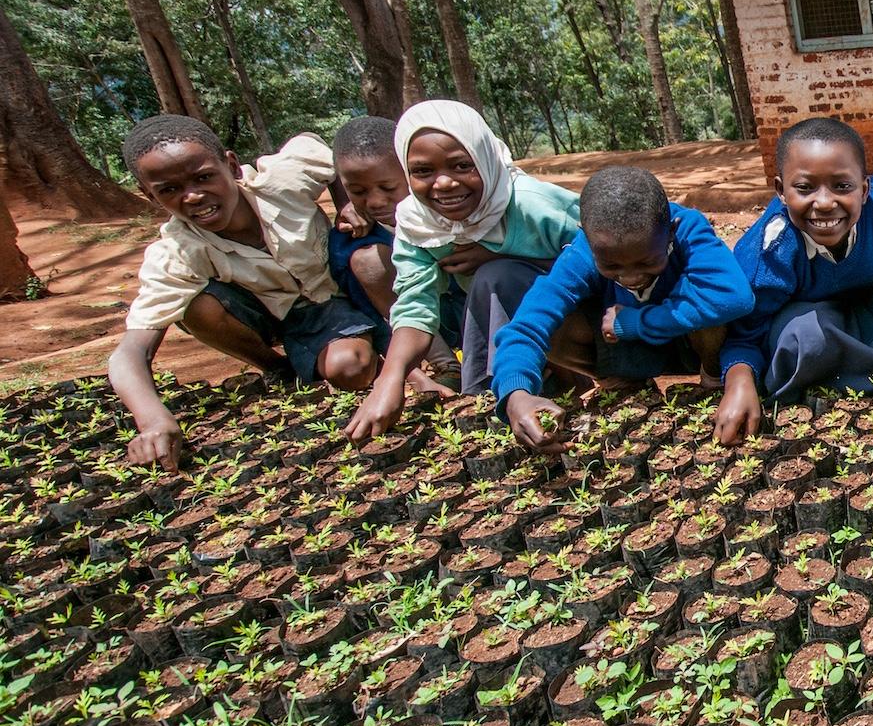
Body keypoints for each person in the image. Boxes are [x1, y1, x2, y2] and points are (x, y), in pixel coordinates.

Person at [109, 115, 378, 467]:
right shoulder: (176, 251)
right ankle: (278, 368)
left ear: (232, 166)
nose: (192, 196)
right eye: (169, 190)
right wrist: (153, 419)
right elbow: (129, 354)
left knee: (351, 369)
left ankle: (329, 348)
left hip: (331, 298)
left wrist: (347, 201)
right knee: (194, 307)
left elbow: (330, 154)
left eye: (204, 177)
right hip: (268, 316)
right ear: (150, 195)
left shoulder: (281, 181)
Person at [344, 101, 582, 443]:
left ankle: (573, 382)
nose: (444, 183)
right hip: (491, 319)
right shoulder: (417, 222)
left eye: (461, 165)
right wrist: (391, 378)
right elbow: (415, 306)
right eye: (423, 171)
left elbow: (604, 263)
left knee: (496, 277)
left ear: (484, 157)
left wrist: (498, 254)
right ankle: (503, 395)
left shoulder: (532, 206)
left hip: (576, 319)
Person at [493, 166, 753, 451]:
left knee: (712, 298)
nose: (630, 277)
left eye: (646, 263)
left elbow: (734, 295)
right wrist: (515, 393)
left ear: (670, 233)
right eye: (612, 266)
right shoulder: (584, 251)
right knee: (556, 323)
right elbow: (527, 325)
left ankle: (713, 380)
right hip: (619, 347)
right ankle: (621, 383)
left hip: (690, 345)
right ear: (589, 241)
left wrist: (634, 322)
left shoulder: (688, 229)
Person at [712, 117, 873, 445]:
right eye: (805, 188)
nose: (823, 203)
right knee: (804, 337)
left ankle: (861, 381)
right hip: (814, 327)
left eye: (842, 186)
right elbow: (744, 335)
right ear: (780, 191)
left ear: (864, 190)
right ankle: (861, 383)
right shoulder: (771, 251)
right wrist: (738, 382)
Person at [329, 115, 459, 388]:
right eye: (358, 191)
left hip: (469, 310)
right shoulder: (353, 240)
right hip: (416, 327)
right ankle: (446, 364)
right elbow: (377, 316)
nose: (375, 202)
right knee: (370, 262)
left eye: (388, 187)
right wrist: (410, 376)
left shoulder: (454, 204)